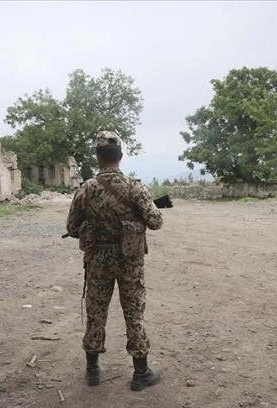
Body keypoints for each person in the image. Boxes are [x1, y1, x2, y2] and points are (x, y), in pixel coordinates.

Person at [66, 130, 163, 391]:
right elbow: (156, 222)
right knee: (134, 314)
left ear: (98, 158)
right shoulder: (135, 188)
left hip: (98, 259)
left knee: (96, 313)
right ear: (120, 156)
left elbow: (72, 226)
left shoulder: (86, 189)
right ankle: (141, 373)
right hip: (129, 262)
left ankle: (93, 371)